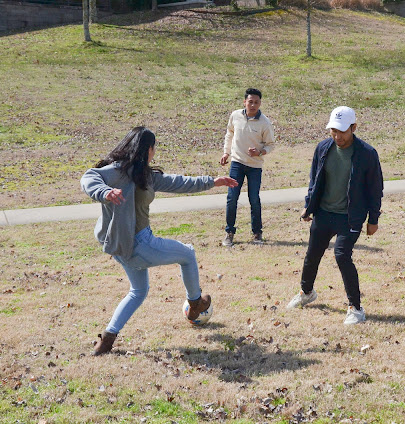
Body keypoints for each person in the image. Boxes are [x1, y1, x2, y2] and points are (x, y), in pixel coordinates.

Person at [81, 127, 237, 355]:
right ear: (148, 149)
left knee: (138, 291)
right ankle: (195, 304)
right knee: (188, 254)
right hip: (138, 244)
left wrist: (212, 182)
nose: (155, 152)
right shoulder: (117, 172)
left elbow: (179, 182)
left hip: (121, 248)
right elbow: (89, 177)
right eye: (154, 148)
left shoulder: (145, 175)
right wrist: (104, 192)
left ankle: (106, 341)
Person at [286, 106, 384, 325]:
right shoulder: (323, 148)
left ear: (354, 128)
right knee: (312, 255)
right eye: (333, 131)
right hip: (324, 213)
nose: (337, 136)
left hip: (350, 217)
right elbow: (315, 181)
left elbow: (375, 189)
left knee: (342, 256)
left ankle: (356, 308)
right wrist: (308, 206)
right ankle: (306, 292)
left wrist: (373, 219)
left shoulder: (367, 154)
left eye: (342, 131)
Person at [220, 88, 275, 246]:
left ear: (260, 103)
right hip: (236, 163)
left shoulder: (264, 122)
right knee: (232, 198)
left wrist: (260, 152)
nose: (253, 105)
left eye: (256, 102)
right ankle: (229, 232)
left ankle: (257, 233)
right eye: (250, 101)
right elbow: (229, 133)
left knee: (254, 199)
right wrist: (226, 153)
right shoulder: (235, 115)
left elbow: (271, 145)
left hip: (254, 167)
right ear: (245, 102)